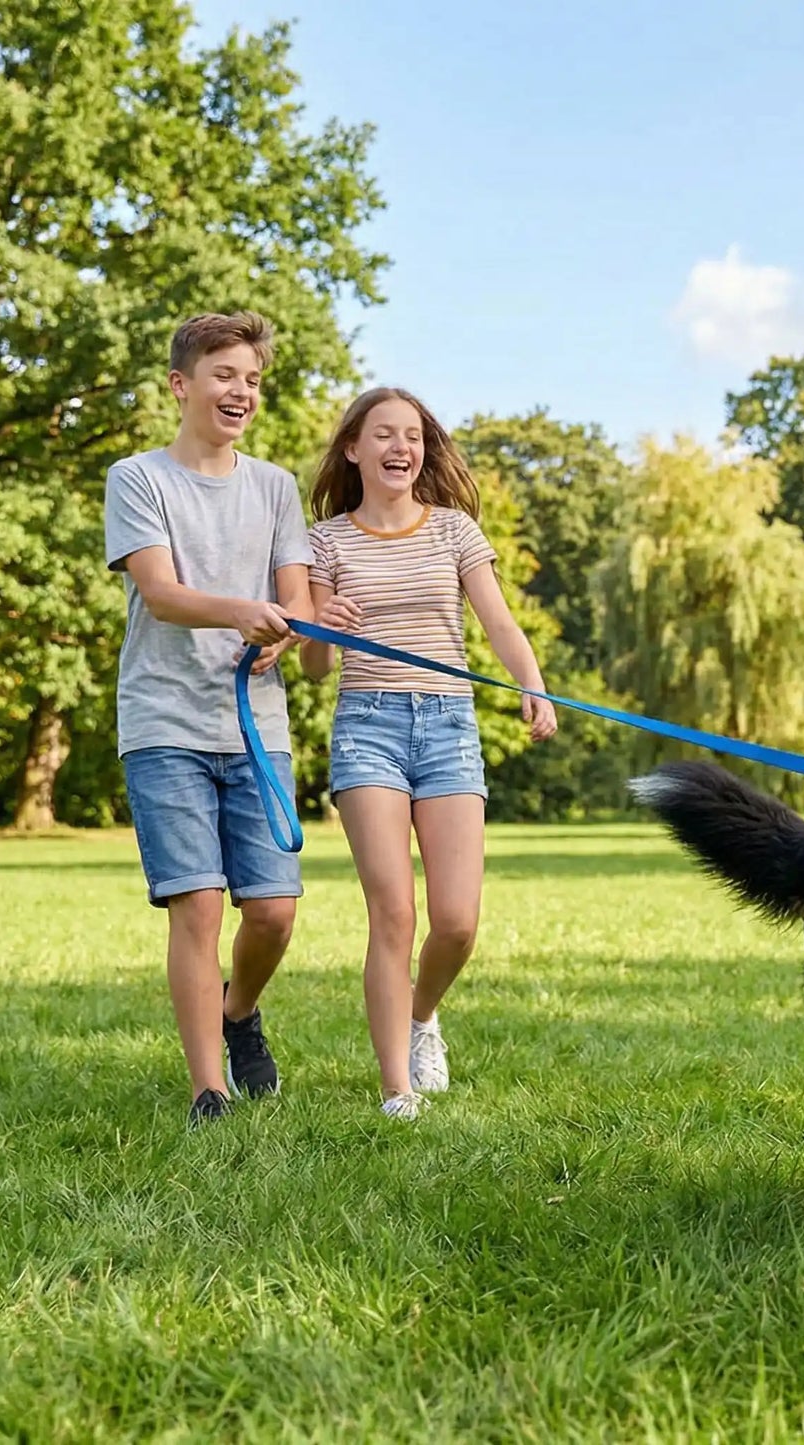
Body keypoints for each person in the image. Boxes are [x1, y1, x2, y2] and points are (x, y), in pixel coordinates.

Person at [302, 387, 556, 1119]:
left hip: (449, 727)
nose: (399, 447)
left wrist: (531, 685)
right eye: (382, 434)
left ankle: (422, 1017)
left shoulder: (453, 531)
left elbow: (499, 622)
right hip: (368, 726)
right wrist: (324, 624)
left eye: (410, 435)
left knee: (456, 920)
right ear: (354, 449)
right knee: (394, 914)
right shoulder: (328, 541)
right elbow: (316, 668)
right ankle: (396, 1089)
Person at [104, 310, 314, 1128]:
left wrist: (283, 630)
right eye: (225, 375)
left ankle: (238, 1014)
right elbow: (159, 591)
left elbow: (294, 596)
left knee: (273, 909)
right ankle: (208, 1090)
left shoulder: (274, 487)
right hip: (163, 722)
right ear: (181, 384)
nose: (242, 391)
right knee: (195, 902)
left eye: (253, 380)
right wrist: (245, 612)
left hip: (255, 727)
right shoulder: (139, 477)